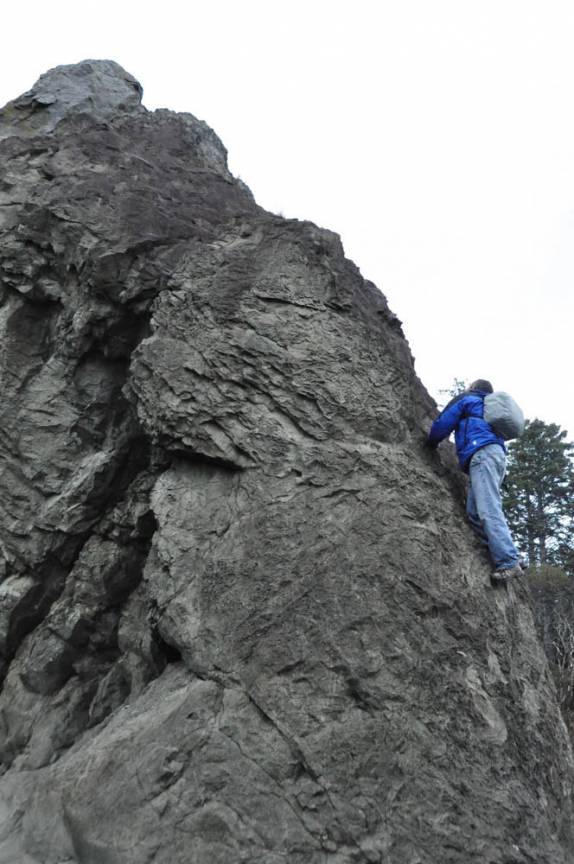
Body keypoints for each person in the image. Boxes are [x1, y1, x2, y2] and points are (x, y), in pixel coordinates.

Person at [426, 379, 522, 582]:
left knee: (488, 509)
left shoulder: (468, 400)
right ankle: (506, 551)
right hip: (495, 457)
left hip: (483, 455)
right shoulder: (490, 408)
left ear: (472, 388)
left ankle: (509, 561)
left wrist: (429, 442)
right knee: (475, 513)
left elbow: (444, 423)